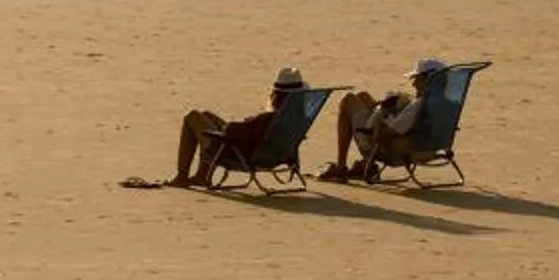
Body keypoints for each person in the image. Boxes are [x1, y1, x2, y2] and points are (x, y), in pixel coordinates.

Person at [170, 66, 308, 186]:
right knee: (206, 114)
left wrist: (251, 122)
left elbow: (231, 130)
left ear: (276, 95)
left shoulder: (268, 119)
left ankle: (182, 176)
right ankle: (201, 176)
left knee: (192, 116)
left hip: (236, 152)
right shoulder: (297, 120)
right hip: (269, 152)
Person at [333, 58, 450, 181]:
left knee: (348, 99)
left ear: (428, 80)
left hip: (391, 148)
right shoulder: (446, 104)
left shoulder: (418, 106)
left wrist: (383, 113)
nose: (413, 84)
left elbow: (386, 133)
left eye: (417, 79)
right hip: (429, 148)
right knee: (363, 96)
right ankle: (360, 165)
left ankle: (342, 168)